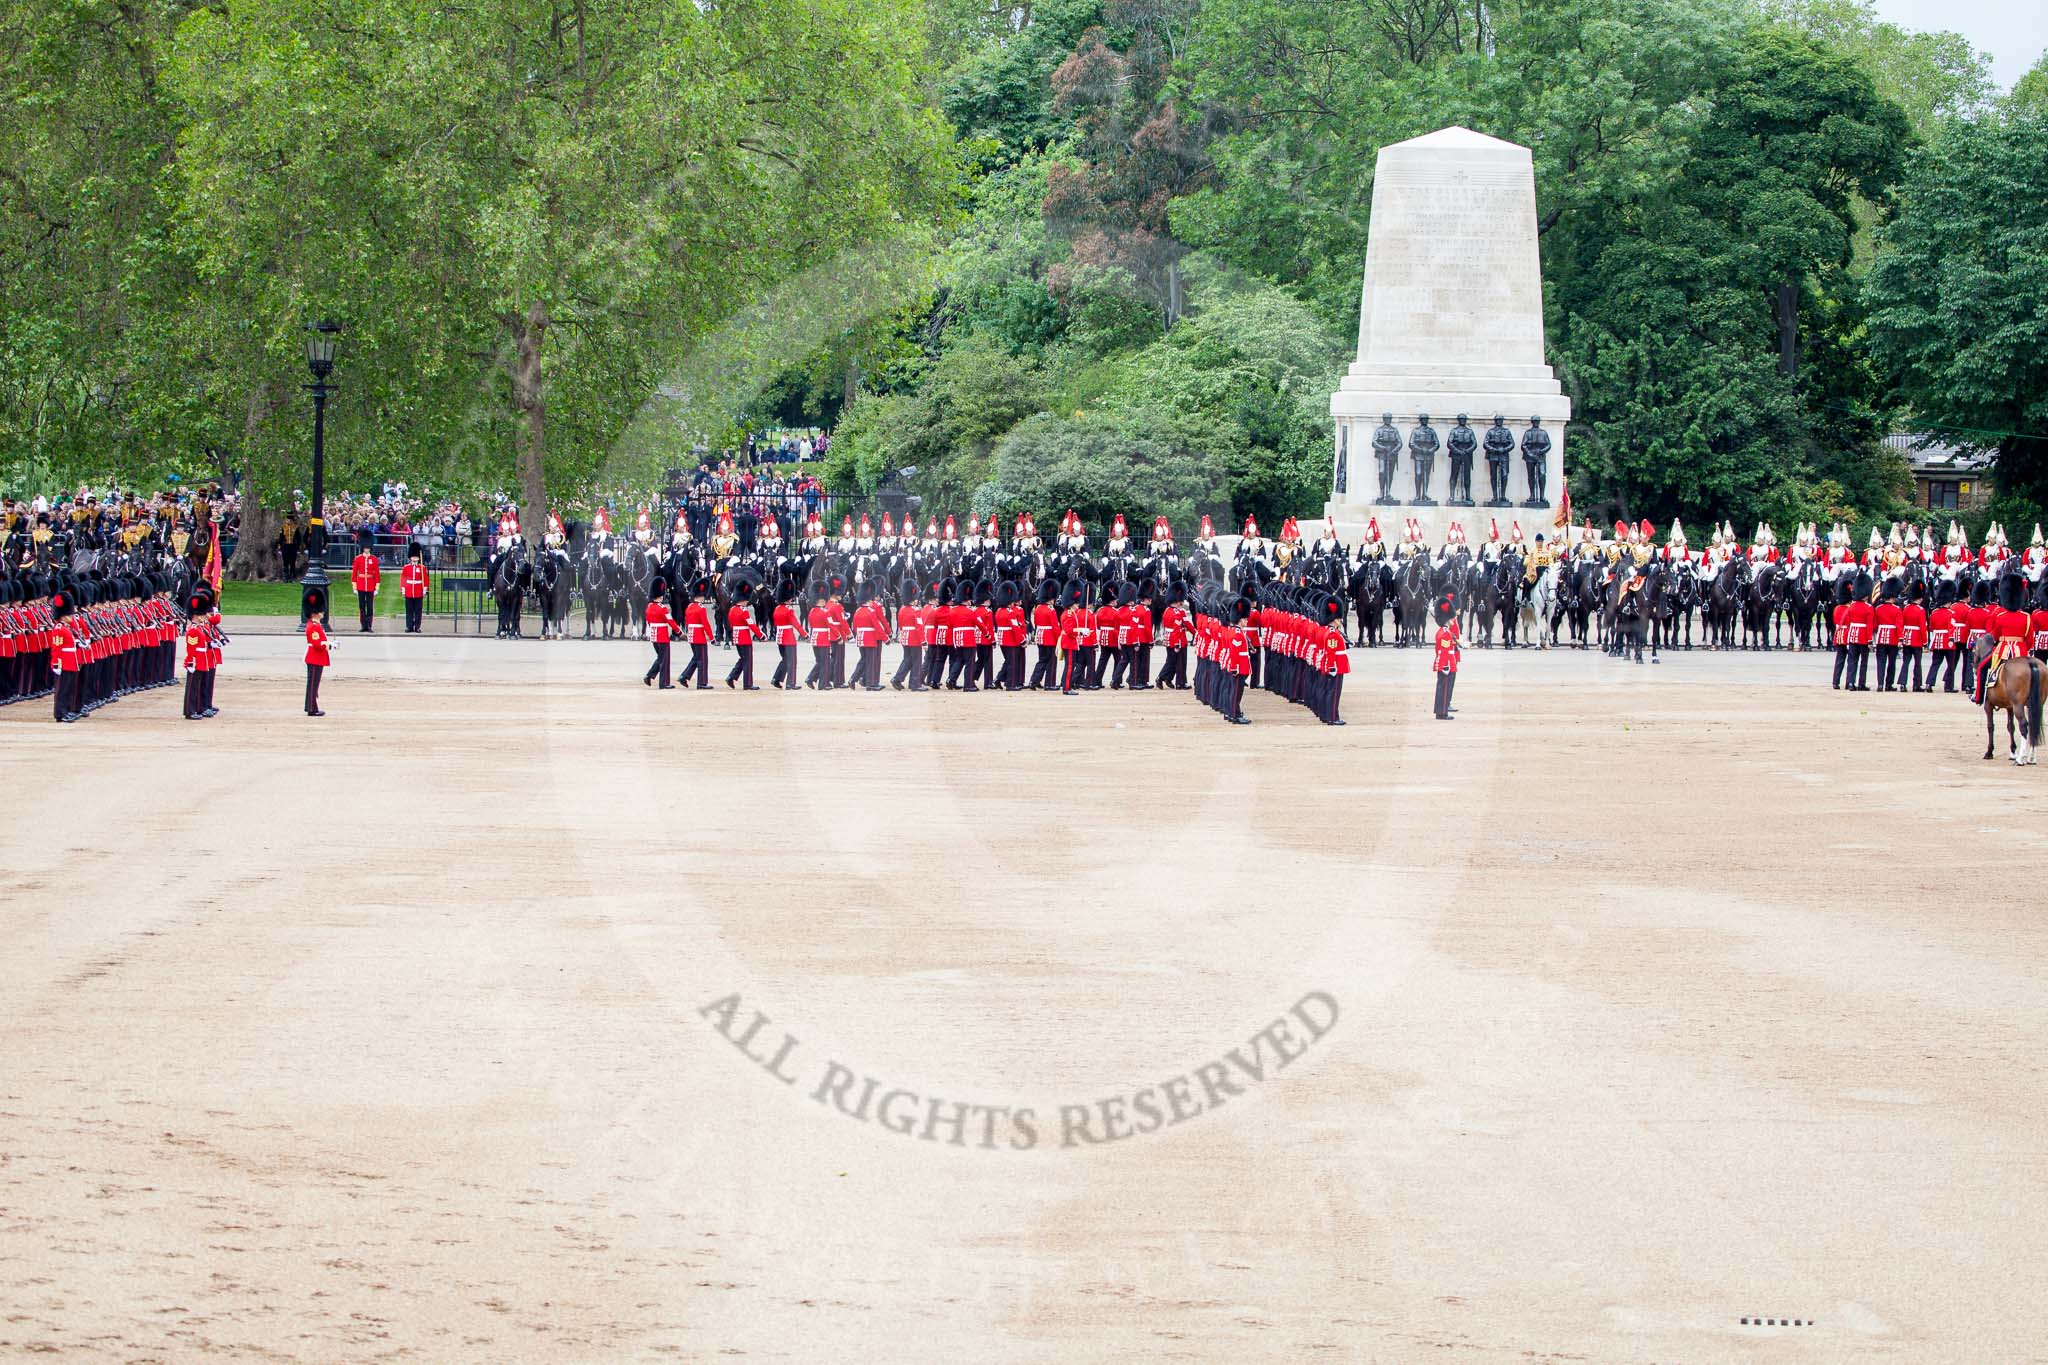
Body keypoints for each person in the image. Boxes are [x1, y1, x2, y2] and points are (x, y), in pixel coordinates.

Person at [679, 580, 713, 689]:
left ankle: (684, 676)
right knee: (702, 660)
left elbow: (687, 621)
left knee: (696, 658)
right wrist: (711, 637)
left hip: (691, 635)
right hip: (699, 636)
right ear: (700, 597)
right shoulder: (701, 608)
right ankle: (701, 683)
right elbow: (705, 624)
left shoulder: (689, 607)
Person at [1432, 593, 1461, 720]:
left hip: (1447, 663)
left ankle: (1441, 711)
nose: (1453, 621)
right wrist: (1445, 666)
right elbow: (1443, 652)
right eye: (1451, 619)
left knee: (1442, 688)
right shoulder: (1444, 633)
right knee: (1443, 689)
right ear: (1446, 619)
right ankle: (1442, 713)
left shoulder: (1445, 632)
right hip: (1446, 664)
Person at [643, 578, 676, 688]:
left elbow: (648, 622)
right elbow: (671, 622)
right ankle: (664, 683)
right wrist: (679, 632)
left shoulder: (649, 608)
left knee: (661, 658)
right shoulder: (663, 609)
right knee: (665, 659)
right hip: (662, 636)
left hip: (654, 636)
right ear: (660, 596)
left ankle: (649, 675)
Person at [726, 588, 760, 689]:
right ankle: (748, 684)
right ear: (744, 599)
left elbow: (730, 624)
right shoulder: (744, 611)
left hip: (736, 637)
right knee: (748, 661)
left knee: (743, 659)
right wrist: (761, 635)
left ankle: (731, 676)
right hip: (744, 638)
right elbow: (751, 625)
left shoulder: (732, 610)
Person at [303, 596, 331, 716]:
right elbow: (317, 644)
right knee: (312, 685)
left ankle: (312, 706)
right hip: (314, 657)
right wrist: (328, 645)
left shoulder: (315, 624)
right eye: (320, 610)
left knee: (314, 684)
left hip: (316, 658)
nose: (322, 612)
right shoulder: (313, 626)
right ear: (315, 613)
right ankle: (311, 708)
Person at [350, 538, 381, 631]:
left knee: (370, 607)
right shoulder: (358, 558)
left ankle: (369, 625)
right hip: (361, 585)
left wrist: (377, 587)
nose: (367, 550)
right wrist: (354, 586)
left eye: (368, 548)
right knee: (362, 606)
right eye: (365, 548)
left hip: (371, 585)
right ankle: (363, 625)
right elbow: (354, 573)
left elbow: (377, 574)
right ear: (363, 548)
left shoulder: (374, 559)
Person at [399, 543, 428, 633]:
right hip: (409, 591)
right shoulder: (406, 567)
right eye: (413, 557)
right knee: (409, 611)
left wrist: (424, 590)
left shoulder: (422, 567)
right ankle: (409, 626)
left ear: (419, 557)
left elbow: (425, 580)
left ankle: (417, 627)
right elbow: (403, 579)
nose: (415, 558)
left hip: (418, 591)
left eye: (416, 557)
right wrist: (403, 590)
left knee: (418, 611)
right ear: (410, 557)